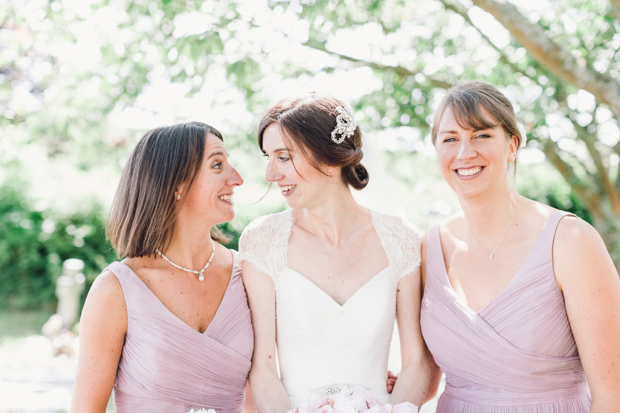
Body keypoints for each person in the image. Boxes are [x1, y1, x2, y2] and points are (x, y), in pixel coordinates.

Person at [420, 81, 620, 411]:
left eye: (481, 135)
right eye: (450, 139)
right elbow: (427, 377)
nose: (464, 152)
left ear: (512, 145)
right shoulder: (428, 248)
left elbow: (612, 394)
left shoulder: (570, 241)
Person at [239, 95, 430, 412]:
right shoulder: (262, 241)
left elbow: (416, 363)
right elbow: (262, 368)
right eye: (268, 158)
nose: (271, 174)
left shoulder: (401, 240)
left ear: (329, 156)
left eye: (283, 157)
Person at [71, 122, 254, 413]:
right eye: (217, 165)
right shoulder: (116, 290)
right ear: (175, 185)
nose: (237, 178)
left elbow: (256, 396)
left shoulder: (247, 275)